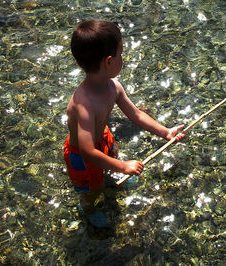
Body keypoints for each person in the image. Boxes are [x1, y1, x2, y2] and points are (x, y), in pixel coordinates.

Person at [63, 20, 184, 228]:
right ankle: (87, 206)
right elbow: (87, 151)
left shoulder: (114, 87)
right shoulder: (84, 105)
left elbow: (136, 115)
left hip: (103, 139)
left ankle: (111, 173)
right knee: (95, 188)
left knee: (110, 162)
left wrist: (166, 133)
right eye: (121, 54)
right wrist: (123, 166)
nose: (123, 59)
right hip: (82, 155)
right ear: (109, 61)